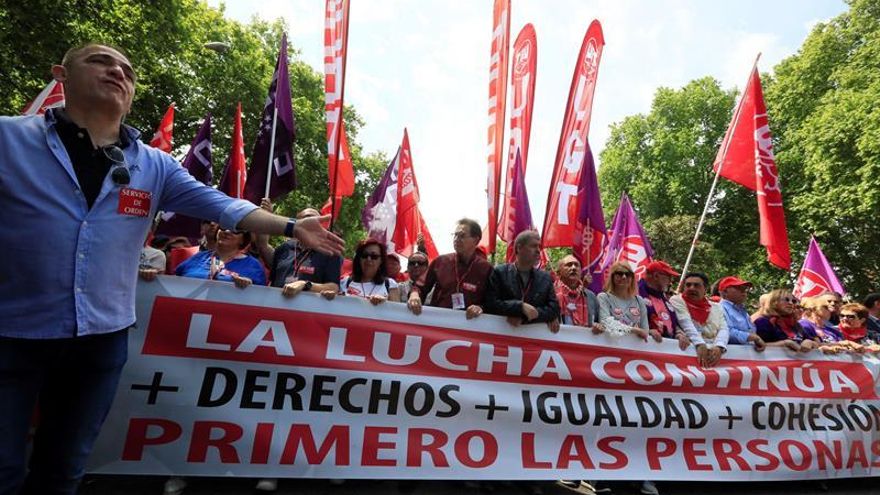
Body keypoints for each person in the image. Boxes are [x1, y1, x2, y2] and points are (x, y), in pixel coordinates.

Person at [0, 42, 343, 495]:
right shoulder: (8, 139)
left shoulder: (154, 166)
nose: (117, 71)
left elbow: (222, 206)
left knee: (62, 471)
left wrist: (292, 226)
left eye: (126, 68)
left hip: (99, 345)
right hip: (11, 335)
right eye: (100, 61)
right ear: (59, 74)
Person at [407, 218, 492, 319]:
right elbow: (420, 287)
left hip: (470, 326)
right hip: (439, 323)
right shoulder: (440, 262)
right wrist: (414, 294)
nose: (456, 239)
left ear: (476, 240)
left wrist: (480, 307)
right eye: (455, 235)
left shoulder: (486, 269)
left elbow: (492, 301)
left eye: (462, 235)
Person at [259, 206, 342, 299]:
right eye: (306, 218)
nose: (310, 222)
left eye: (315, 220)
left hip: (306, 310)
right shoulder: (284, 248)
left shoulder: (329, 252)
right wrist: (265, 216)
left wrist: (305, 285)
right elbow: (272, 281)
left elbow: (333, 287)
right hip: (278, 306)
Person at [484, 230, 560, 330]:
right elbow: (490, 304)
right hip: (502, 336)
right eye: (533, 246)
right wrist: (519, 307)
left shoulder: (545, 278)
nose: (538, 250)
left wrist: (525, 316)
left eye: (539, 247)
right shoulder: (500, 272)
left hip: (531, 340)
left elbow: (554, 309)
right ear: (519, 248)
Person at [669, 272, 729, 368]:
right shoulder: (677, 300)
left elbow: (724, 329)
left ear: (705, 289)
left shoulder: (716, 307)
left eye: (696, 285)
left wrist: (720, 347)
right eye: (688, 285)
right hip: (687, 356)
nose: (692, 288)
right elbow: (685, 323)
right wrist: (699, 343)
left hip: (712, 354)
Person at [175, 229, 266, 287]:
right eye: (223, 226)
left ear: (243, 239)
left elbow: (260, 298)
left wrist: (249, 287)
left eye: (235, 230)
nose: (227, 231)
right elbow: (173, 281)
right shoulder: (199, 257)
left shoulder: (253, 266)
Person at [595, 262, 655, 341]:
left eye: (628, 274)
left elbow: (645, 331)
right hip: (611, 347)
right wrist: (633, 330)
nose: (624, 277)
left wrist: (643, 331)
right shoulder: (603, 297)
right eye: (619, 273)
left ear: (632, 278)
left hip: (633, 350)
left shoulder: (639, 301)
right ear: (612, 277)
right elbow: (606, 323)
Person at [335, 239, 400, 304]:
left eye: (374, 256)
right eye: (364, 255)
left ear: (381, 261)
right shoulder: (345, 282)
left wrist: (384, 303)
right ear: (359, 259)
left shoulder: (390, 285)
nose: (368, 259)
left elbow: (396, 312)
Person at [753, 289, 819, 352]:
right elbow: (756, 346)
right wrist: (785, 343)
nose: (791, 303)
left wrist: (810, 342)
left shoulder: (795, 324)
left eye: (793, 301)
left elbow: (817, 344)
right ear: (774, 302)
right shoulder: (763, 322)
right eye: (786, 300)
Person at [554, 255, 603, 329]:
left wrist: (598, 327)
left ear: (581, 272)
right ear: (559, 272)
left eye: (576, 265)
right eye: (569, 265)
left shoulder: (591, 296)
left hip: (585, 340)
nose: (573, 268)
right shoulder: (551, 292)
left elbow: (599, 323)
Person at [717, 276, 765, 350]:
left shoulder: (742, 310)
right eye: (738, 288)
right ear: (725, 292)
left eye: (745, 288)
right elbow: (725, 332)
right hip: (731, 356)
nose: (744, 291)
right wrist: (752, 337)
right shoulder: (719, 308)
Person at [638, 261, 682, 340]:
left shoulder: (663, 298)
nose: (670, 282)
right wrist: (647, 331)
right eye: (669, 277)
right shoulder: (634, 293)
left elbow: (672, 324)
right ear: (656, 276)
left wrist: (679, 333)